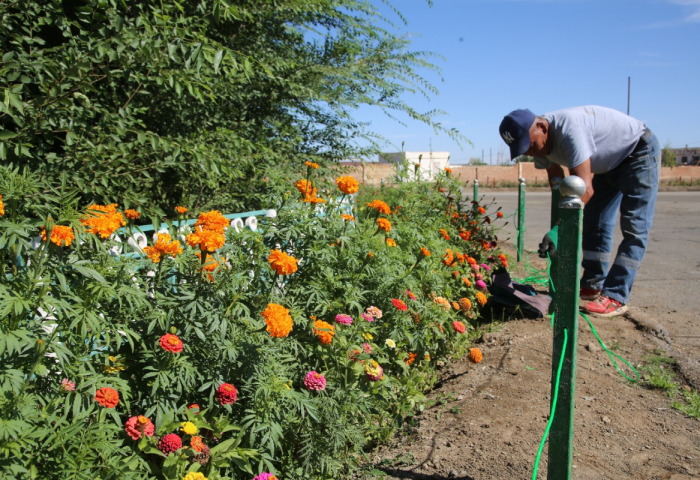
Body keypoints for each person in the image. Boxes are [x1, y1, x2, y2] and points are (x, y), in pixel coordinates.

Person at [498, 106, 660, 317]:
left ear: (541, 127)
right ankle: (593, 285)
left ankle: (616, 295)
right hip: (607, 166)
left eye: (531, 145)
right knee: (595, 221)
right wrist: (558, 220)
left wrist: (559, 230)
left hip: (637, 154)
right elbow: (558, 184)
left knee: (634, 227)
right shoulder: (538, 143)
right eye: (523, 149)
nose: (530, 152)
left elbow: (584, 189)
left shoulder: (570, 131)